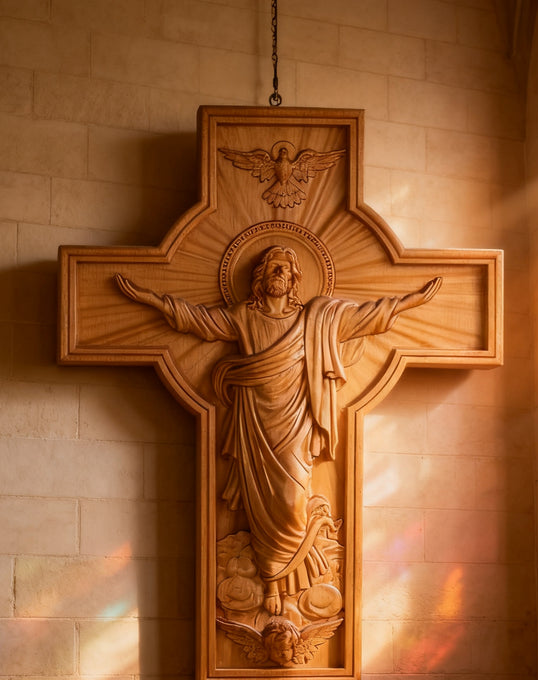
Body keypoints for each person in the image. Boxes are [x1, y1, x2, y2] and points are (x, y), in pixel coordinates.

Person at [115, 246, 441, 615]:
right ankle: (271, 583)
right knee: (260, 505)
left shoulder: (315, 319)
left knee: (291, 499)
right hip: (256, 422)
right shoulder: (244, 316)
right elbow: (199, 321)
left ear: (294, 279)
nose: (279, 273)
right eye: (272, 268)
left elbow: (364, 318)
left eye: (286, 269)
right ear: (260, 277)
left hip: (297, 421)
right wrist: (149, 299)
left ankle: (292, 571)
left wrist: (409, 301)